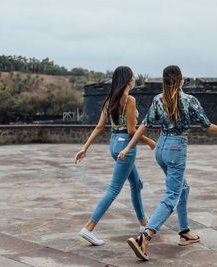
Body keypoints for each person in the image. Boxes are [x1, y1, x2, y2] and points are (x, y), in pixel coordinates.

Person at [118, 65, 217, 260]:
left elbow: (144, 125)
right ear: (181, 80)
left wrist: (128, 147)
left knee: (183, 188)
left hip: (161, 149)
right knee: (172, 196)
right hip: (176, 148)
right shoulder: (189, 101)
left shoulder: (157, 99)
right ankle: (144, 237)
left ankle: (185, 232)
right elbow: (208, 126)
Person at [75, 66, 156, 246]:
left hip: (113, 144)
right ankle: (88, 228)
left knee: (136, 183)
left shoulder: (109, 100)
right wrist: (150, 141)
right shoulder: (129, 100)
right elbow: (131, 130)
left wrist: (84, 148)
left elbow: (98, 127)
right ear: (128, 80)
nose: (134, 79)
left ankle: (144, 223)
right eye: (133, 77)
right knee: (114, 189)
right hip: (126, 145)